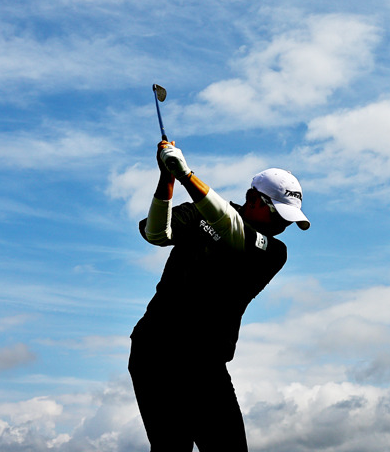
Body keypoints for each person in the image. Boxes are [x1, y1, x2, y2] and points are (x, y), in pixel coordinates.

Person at [129, 140, 310, 452]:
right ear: (253, 199)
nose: (284, 224)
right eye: (279, 214)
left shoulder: (274, 251)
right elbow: (156, 233)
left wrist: (186, 175)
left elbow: (230, 227)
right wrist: (167, 180)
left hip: (203, 363)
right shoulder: (199, 214)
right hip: (154, 350)